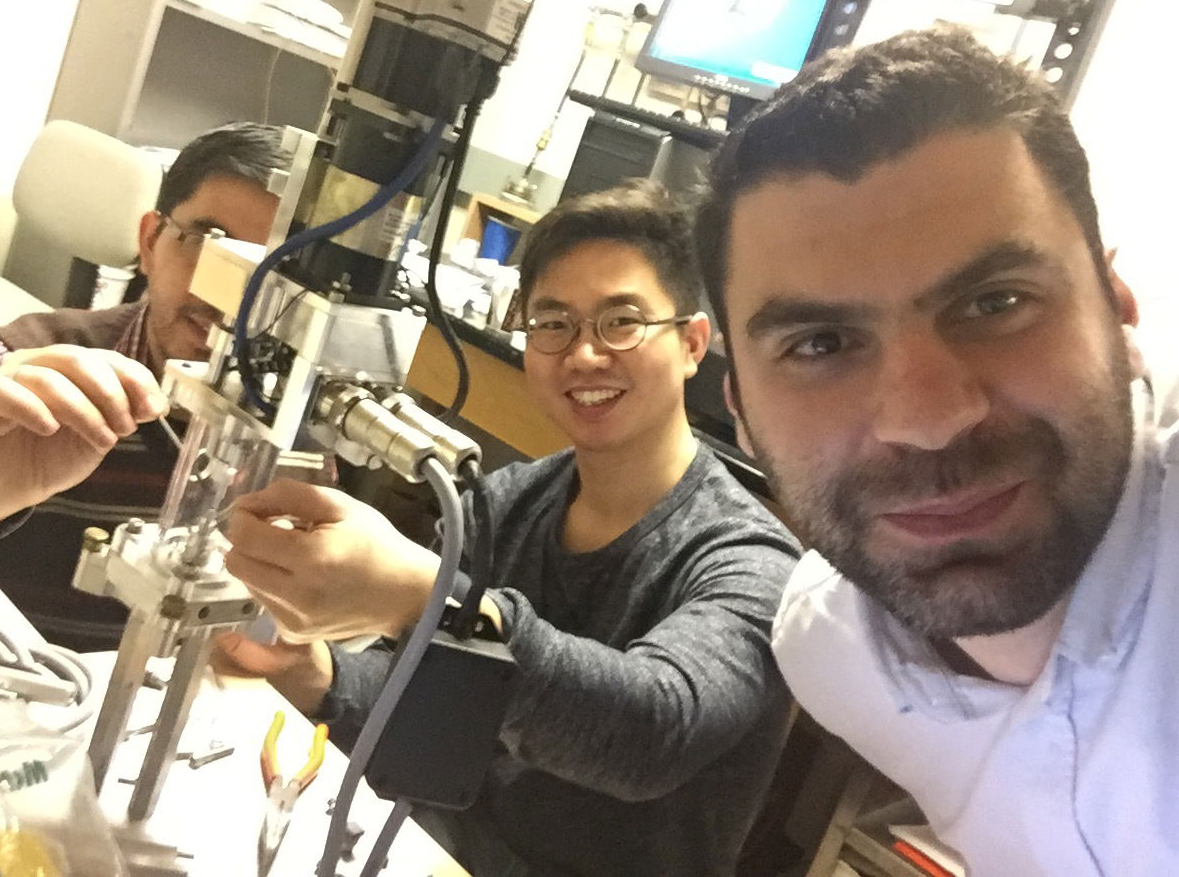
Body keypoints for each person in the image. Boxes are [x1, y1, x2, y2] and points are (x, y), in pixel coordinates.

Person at [694, 26, 1178, 875]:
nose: (927, 418)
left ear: (1118, 310)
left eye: (995, 303)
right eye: (819, 344)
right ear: (740, 411)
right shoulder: (828, 652)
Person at [218, 180, 801, 877]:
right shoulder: (505, 502)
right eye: (554, 324)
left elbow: (650, 734)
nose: (584, 355)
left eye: (621, 322)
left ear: (692, 344)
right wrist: (320, 675)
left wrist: (424, 599)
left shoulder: (752, 562)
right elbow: (424, 700)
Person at [0, 122, 285, 649]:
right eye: (210, 243)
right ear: (150, 241)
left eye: (275, 269)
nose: (230, 295)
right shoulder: (15, 360)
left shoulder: (309, 429)